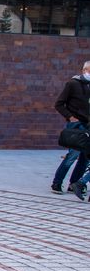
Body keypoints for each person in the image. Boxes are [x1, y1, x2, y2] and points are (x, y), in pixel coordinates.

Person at [51, 60, 90, 194]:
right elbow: (59, 104)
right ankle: (57, 183)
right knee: (72, 156)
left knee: (85, 158)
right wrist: (71, 117)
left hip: (88, 126)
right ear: (84, 71)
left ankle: (74, 184)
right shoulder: (73, 84)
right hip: (76, 125)